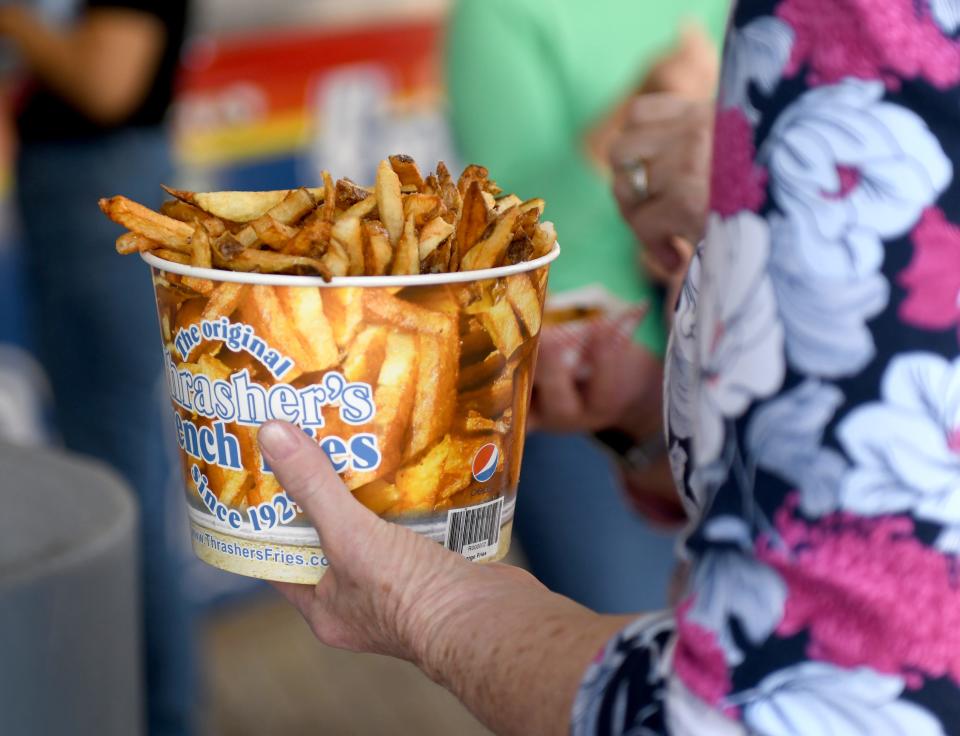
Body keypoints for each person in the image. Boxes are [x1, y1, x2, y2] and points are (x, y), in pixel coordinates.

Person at [257, 0, 960, 732]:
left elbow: (782, 699)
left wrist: (434, 608)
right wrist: (657, 407)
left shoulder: (862, 23)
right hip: (589, 385)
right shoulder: (504, 19)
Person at [446, 0, 730, 613]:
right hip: (581, 389)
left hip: (728, 372)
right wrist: (635, 124)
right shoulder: (501, 17)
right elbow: (502, 238)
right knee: (619, 632)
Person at [1, 2, 194, 734]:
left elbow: (107, 81)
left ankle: (155, 712)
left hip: (102, 191)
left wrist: (14, 24)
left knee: (117, 477)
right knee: (117, 463)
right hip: (88, 187)